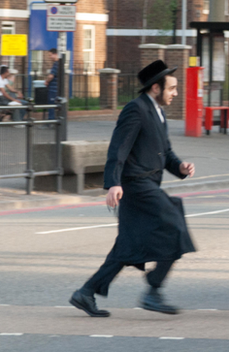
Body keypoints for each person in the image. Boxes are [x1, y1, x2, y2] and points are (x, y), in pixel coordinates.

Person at [68, 60, 196, 317]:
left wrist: (179, 166)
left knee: (127, 246)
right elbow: (119, 147)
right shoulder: (135, 109)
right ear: (156, 87)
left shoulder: (158, 112)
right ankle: (153, 290)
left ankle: (86, 292)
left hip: (146, 183)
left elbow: (165, 150)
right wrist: (113, 182)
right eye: (171, 88)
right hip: (136, 185)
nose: (175, 93)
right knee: (175, 226)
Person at [45, 49, 60, 120]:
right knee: (55, 105)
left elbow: (51, 76)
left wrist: (46, 81)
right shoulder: (59, 63)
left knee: (51, 105)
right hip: (57, 88)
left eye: (50, 55)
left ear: (55, 54)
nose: (50, 57)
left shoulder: (56, 64)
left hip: (53, 89)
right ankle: (54, 120)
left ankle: (50, 122)